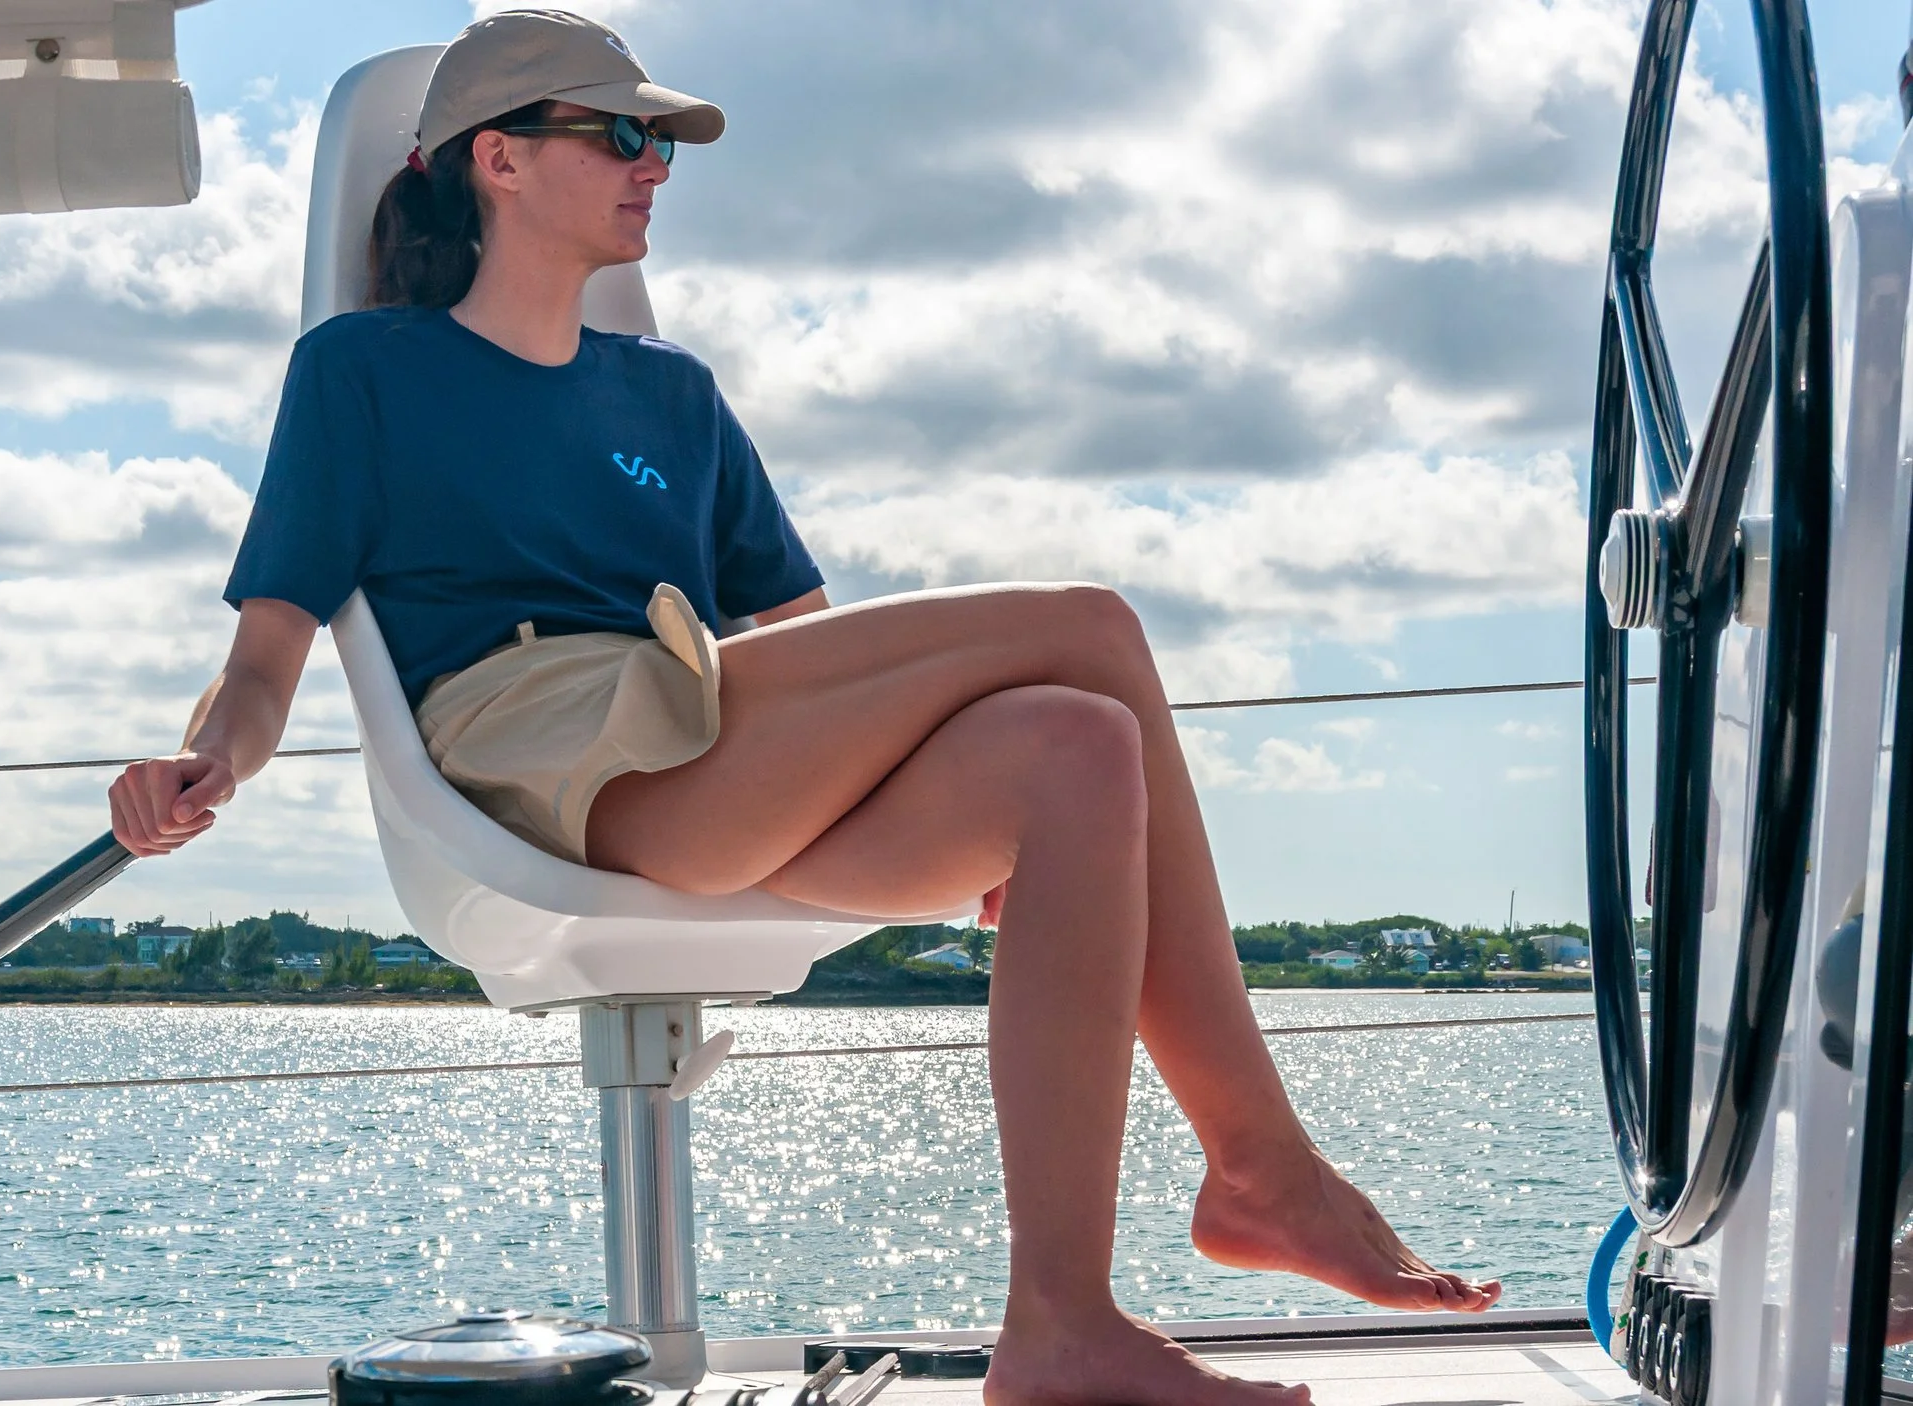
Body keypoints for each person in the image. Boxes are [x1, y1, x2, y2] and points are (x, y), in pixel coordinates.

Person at [108, 11, 1499, 1403]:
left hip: (714, 738)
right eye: (623, 134)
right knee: (1096, 630)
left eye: (662, 141)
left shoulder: (675, 397)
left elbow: (809, 646)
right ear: (500, 160)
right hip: (554, 746)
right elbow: (270, 650)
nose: (656, 165)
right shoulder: (366, 371)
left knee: (1078, 746)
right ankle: (1261, 1165)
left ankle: (1061, 1325)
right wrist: (204, 763)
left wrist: (962, 793)